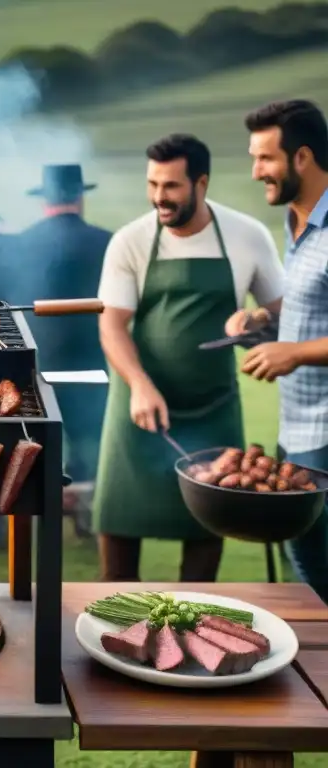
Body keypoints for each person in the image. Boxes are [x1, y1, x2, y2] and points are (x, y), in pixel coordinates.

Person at [93, 134, 285, 581]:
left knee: (204, 546)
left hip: (214, 408)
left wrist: (255, 319)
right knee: (116, 563)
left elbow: (284, 317)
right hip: (139, 407)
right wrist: (139, 385)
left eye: (172, 186)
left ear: (202, 182)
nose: (160, 197)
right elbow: (112, 325)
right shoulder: (131, 241)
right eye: (153, 184)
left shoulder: (247, 236)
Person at [233, 100, 328, 601]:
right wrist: (265, 320)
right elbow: (316, 297)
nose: (256, 172)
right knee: (308, 560)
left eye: (266, 159)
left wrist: (292, 353)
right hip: (299, 426)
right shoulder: (299, 222)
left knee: (317, 564)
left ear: (303, 158)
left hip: (325, 430)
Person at [17, 164, 112, 505]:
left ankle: (38, 503)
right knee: (90, 441)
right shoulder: (108, 243)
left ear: (44, 200)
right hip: (94, 365)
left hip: (34, 369)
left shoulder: (19, 244)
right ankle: (88, 507)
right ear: (80, 196)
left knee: (36, 442)